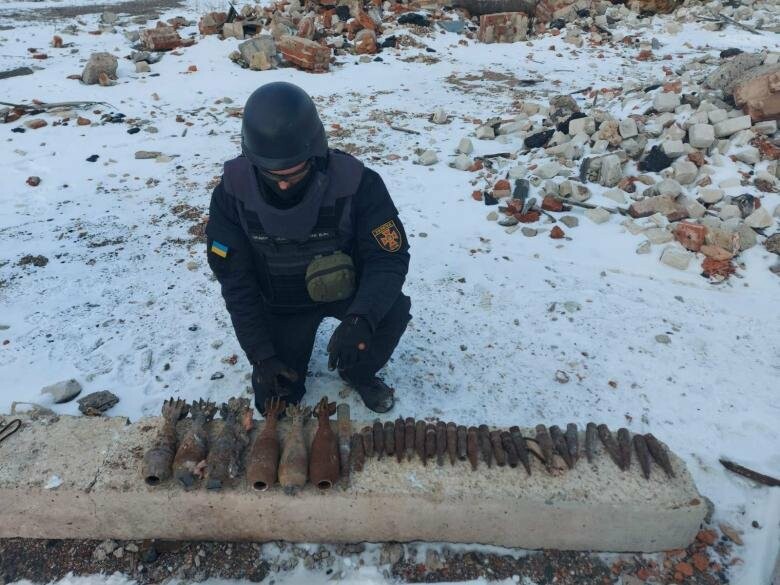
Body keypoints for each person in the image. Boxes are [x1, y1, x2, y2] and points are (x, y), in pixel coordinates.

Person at [205, 81, 411, 414]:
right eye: (273, 174)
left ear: (316, 153)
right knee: (275, 401)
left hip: (347, 294)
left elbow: (388, 258)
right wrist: (261, 355)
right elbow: (236, 283)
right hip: (281, 304)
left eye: (295, 172)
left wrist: (362, 317)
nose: (284, 183)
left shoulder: (358, 184)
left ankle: (358, 371)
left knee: (391, 310)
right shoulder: (232, 195)